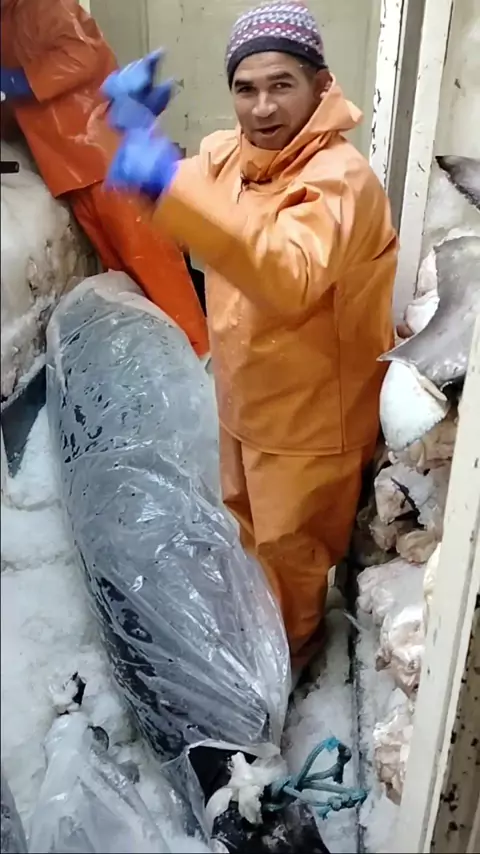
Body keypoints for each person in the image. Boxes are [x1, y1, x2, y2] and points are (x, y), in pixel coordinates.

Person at [102, 0, 398, 668]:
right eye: (245, 88)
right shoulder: (230, 154)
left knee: (290, 561)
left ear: (320, 85)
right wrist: (123, 127)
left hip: (309, 423)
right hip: (246, 401)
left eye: (281, 85)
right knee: (245, 535)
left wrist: (162, 181)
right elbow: (172, 192)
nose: (262, 108)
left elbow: (288, 273)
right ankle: (255, 646)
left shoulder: (339, 181)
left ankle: (279, 679)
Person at [0, 0, 208, 357]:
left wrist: (19, 80)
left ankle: (199, 354)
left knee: (154, 265)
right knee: (125, 276)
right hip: (69, 168)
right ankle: (161, 357)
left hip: (106, 155)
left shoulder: (45, 5)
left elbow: (84, 55)